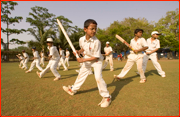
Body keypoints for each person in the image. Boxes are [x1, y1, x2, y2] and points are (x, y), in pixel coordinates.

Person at [62, 19, 111, 108]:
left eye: (95, 29)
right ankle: (73, 90)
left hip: (96, 61)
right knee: (81, 75)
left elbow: (96, 56)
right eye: (92, 29)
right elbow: (83, 48)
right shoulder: (81, 39)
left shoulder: (97, 42)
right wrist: (78, 51)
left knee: (98, 77)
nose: (94, 31)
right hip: (87, 59)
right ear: (85, 29)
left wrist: (82, 60)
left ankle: (107, 97)